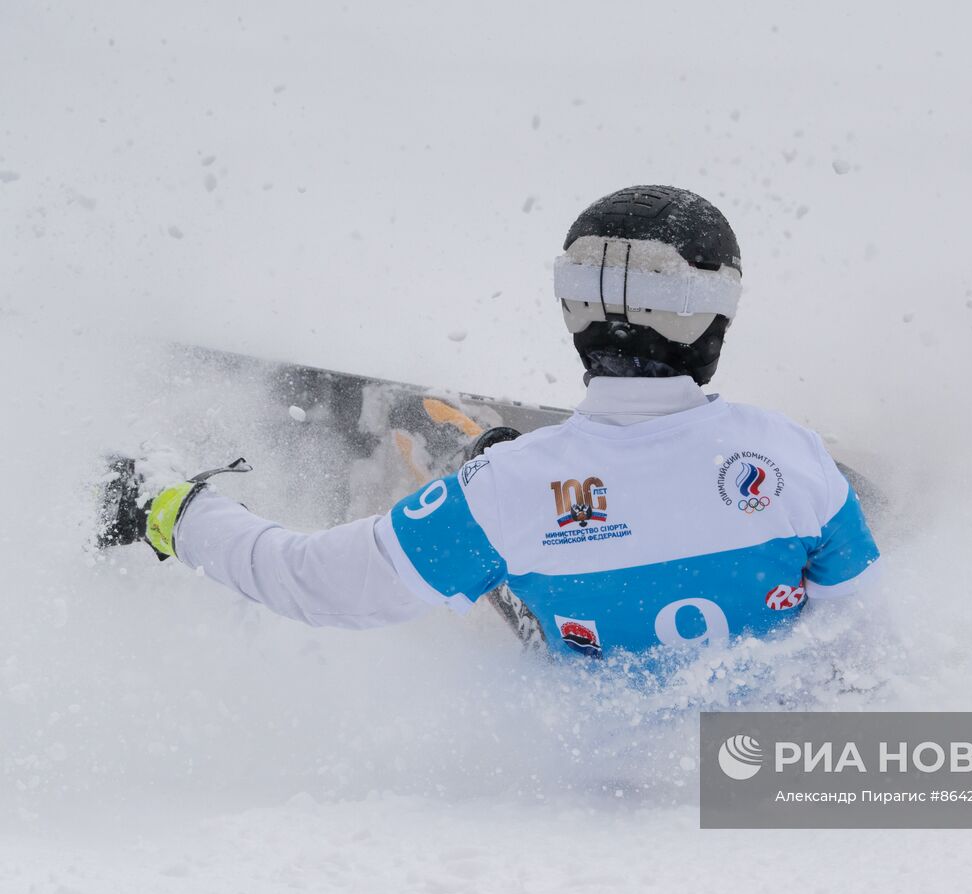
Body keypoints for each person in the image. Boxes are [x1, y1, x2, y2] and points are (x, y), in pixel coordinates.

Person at [110, 185, 881, 659]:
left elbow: (308, 583)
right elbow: (865, 647)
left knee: (512, 544)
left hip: (584, 775)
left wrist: (170, 511)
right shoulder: (797, 462)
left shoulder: (509, 491)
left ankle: (489, 560)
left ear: (574, 315)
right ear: (716, 317)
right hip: (757, 775)